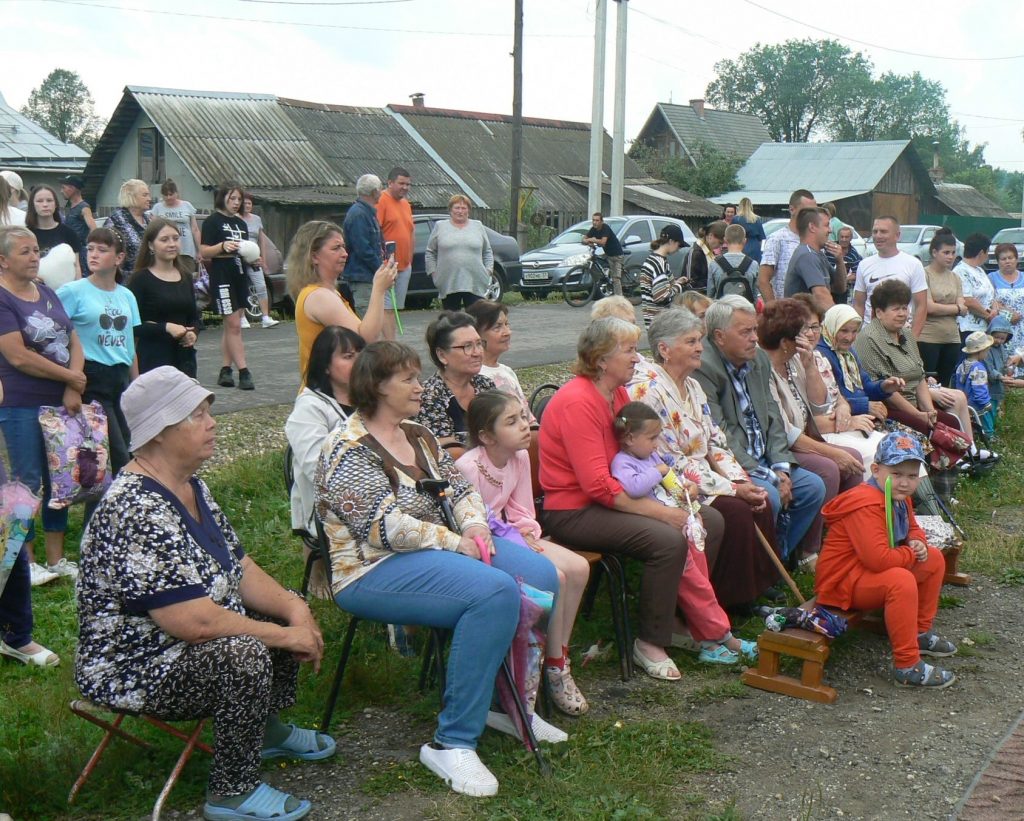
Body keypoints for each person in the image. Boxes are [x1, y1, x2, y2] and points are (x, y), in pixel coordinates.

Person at [76, 366, 332, 820]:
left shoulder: (189, 484)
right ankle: (232, 791)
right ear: (157, 432)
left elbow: (239, 566)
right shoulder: (135, 507)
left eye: (208, 410)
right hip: (136, 664)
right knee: (246, 650)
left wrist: (295, 607)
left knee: (277, 612)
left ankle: (265, 731)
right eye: (196, 415)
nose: (212, 422)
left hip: (187, 640)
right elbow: (190, 623)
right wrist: (283, 636)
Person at [317, 341, 564, 797]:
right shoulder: (345, 448)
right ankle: (452, 741)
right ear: (377, 386)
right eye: (408, 378)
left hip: (442, 549)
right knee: (493, 593)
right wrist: (458, 542)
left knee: (542, 576)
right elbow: (382, 528)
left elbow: (461, 487)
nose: (419, 385)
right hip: (372, 569)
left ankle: (505, 705)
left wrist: (474, 527)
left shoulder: (417, 434)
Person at [540, 317, 689, 681]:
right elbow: (598, 486)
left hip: (607, 500)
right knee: (667, 539)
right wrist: (660, 512)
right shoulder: (579, 400)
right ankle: (649, 643)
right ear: (601, 359)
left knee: (709, 521)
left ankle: (680, 620)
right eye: (629, 350)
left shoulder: (616, 394)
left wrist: (674, 490)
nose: (637, 359)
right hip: (571, 510)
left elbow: (632, 460)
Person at [627, 308, 780, 609]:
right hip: (669, 481)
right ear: (664, 349)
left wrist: (737, 478)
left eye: (699, 340)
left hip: (700, 472)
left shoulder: (694, 386)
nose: (700, 347)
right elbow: (668, 459)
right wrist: (730, 489)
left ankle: (758, 585)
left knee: (757, 499)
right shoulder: (648, 392)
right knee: (734, 510)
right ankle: (730, 598)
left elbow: (715, 440)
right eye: (691, 341)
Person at [456, 391, 591, 712]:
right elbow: (474, 520)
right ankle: (542, 662)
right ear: (486, 436)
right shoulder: (468, 467)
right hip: (483, 542)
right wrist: (518, 539)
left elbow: (520, 509)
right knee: (555, 575)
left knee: (579, 568)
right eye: (512, 421)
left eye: (523, 417)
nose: (524, 426)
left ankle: (557, 661)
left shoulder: (518, 457)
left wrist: (527, 533)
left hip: (511, 534)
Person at [608, 400, 758, 664]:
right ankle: (719, 637)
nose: (657, 444)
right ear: (630, 438)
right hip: (665, 531)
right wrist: (659, 471)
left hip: (683, 528)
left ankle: (712, 638)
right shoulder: (623, 462)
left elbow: (671, 483)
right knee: (696, 587)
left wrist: (686, 488)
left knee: (701, 582)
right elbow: (632, 488)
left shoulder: (652, 457)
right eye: (652, 438)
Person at [815, 432, 956, 689]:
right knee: (899, 581)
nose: (904, 482)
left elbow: (913, 528)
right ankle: (906, 665)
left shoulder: (899, 497)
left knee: (933, 558)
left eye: (912, 476)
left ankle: (918, 632)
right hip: (842, 583)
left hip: (867, 574)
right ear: (876, 470)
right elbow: (878, 560)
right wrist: (912, 553)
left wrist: (918, 541)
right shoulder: (866, 504)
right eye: (896, 474)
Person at [695, 295, 827, 563]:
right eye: (745, 332)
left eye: (754, 329)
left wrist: (781, 466)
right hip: (733, 464)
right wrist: (771, 476)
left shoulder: (758, 360)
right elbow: (718, 434)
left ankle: (777, 560)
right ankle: (763, 570)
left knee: (813, 487)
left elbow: (772, 416)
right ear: (719, 337)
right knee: (771, 498)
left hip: (765, 458)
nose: (755, 338)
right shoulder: (704, 369)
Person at [0, 226, 82, 655]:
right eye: (25, 251)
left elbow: (70, 337)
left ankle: (55, 559)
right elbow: (16, 355)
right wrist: (69, 376)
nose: (34, 257)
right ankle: (26, 565)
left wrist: (74, 384)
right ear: (3, 260)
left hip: (59, 404)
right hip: (20, 403)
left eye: (37, 250)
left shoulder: (47, 291)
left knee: (60, 484)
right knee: (26, 486)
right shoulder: (2, 297)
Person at [758, 299, 864, 565]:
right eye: (802, 332)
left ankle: (838, 540)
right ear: (785, 342)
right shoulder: (764, 369)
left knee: (853, 459)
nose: (809, 337)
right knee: (827, 468)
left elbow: (820, 403)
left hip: (802, 439)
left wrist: (809, 366)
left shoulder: (795, 361)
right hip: (781, 447)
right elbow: (784, 431)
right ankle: (807, 552)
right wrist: (831, 452)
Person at [855, 280, 983, 456]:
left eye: (904, 308)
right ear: (879, 312)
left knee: (946, 420)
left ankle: (967, 456)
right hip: (889, 407)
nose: (902, 314)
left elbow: (919, 375)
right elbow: (885, 391)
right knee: (932, 427)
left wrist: (929, 411)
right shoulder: (868, 339)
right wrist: (917, 415)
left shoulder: (906, 334)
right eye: (895, 309)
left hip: (915, 399)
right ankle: (953, 464)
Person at [286, 326, 364, 601]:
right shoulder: (310, 407)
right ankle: (320, 567)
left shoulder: (373, 397)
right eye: (348, 356)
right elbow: (317, 468)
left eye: (361, 354)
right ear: (326, 366)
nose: (358, 362)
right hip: (331, 498)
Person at [57, 227, 140, 478]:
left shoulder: (126, 295)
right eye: (90, 249)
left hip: (120, 375)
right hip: (93, 375)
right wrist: (70, 379)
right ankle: (106, 512)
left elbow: (130, 343)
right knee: (115, 453)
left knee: (132, 445)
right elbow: (55, 333)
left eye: (102, 250)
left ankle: (118, 510)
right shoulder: (73, 291)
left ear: (118, 258)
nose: (93, 255)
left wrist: (137, 382)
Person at [286, 220, 396, 382]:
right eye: (336, 248)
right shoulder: (319, 296)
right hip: (325, 395)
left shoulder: (328, 293)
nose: (344, 253)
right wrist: (378, 289)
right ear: (314, 256)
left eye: (343, 247)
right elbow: (364, 339)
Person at [793, 296, 886, 480]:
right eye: (804, 328)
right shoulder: (798, 361)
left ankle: (909, 505)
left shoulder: (821, 356)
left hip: (840, 424)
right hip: (820, 433)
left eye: (814, 327)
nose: (811, 334)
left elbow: (838, 394)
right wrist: (849, 419)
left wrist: (844, 406)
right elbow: (805, 420)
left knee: (892, 444)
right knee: (874, 453)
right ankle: (870, 505)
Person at [416, 312, 496, 455]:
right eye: (467, 346)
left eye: (479, 344)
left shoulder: (485, 385)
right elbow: (450, 454)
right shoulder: (430, 395)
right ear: (442, 355)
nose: (477, 352)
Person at [201, 182, 255, 391]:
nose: (236, 203)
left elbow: (245, 250)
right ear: (222, 197)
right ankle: (244, 371)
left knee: (230, 326)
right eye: (232, 198)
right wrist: (222, 246)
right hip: (222, 275)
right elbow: (204, 252)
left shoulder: (241, 224)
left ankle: (225, 369)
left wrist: (254, 258)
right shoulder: (212, 222)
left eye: (239, 199)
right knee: (234, 325)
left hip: (240, 274)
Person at [129, 218, 200, 377]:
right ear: (150, 245)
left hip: (184, 359)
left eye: (175, 238)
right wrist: (166, 327)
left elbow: (194, 317)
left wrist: (193, 332)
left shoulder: (186, 277)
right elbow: (133, 326)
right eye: (164, 239)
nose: (172, 244)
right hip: (154, 361)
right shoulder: (140, 279)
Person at [852, 217, 928, 338]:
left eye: (883, 231)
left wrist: (912, 340)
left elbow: (921, 306)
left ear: (897, 235)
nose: (878, 236)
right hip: (870, 336)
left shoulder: (913, 264)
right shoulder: (864, 265)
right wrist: (855, 335)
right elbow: (859, 304)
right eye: (875, 231)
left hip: (900, 336)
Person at [465, 299, 536, 424]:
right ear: (477, 334)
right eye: (497, 327)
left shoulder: (507, 371)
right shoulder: (473, 376)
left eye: (507, 324)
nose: (507, 332)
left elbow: (528, 419)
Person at [426, 194, 494, 311]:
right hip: (448, 281)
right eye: (457, 208)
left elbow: (487, 251)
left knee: (476, 319)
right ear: (450, 210)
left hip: (475, 280)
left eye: (464, 208)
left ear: (468, 210)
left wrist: (488, 270)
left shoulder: (477, 226)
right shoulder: (440, 226)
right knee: (452, 321)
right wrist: (433, 273)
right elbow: (430, 252)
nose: (460, 211)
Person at [918, 233, 967, 388]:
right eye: (946, 252)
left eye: (953, 253)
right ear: (934, 252)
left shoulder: (955, 277)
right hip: (928, 337)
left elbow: (964, 308)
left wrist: (955, 308)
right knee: (928, 382)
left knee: (945, 384)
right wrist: (956, 308)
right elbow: (929, 307)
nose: (950, 257)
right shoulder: (924, 274)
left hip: (952, 338)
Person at [783, 206, 847, 312]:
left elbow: (840, 288)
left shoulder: (818, 254)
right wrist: (840, 321)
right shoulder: (807, 256)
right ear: (812, 227)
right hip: (802, 326)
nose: (830, 230)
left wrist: (839, 261)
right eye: (827, 225)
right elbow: (821, 295)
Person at [376, 167, 414, 340]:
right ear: (390, 183)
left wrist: (410, 258)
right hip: (388, 265)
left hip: (405, 265)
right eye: (401, 183)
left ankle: (392, 342)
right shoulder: (382, 200)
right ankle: (390, 345)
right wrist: (383, 261)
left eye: (408, 184)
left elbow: (410, 231)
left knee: (396, 308)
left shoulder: (406, 204)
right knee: (387, 308)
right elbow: (376, 232)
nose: (405, 187)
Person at [760, 189, 816, 303]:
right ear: (792, 209)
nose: (811, 215)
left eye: (813, 211)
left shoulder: (814, 239)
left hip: (811, 311)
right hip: (786, 312)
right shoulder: (777, 238)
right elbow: (763, 280)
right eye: (806, 211)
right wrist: (775, 311)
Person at [341, 174, 384, 317]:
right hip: (362, 277)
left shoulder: (367, 212)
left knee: (374, 317)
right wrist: (381, 269)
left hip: (369, 276)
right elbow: (363, 249)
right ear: (374, 192)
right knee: (367, 318)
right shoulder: (359, 214)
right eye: (380, 189)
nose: (381, 193)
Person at [27, 184, 82, 287]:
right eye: (39, 201)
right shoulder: (26, 234)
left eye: (49, 200)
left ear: (56, 204)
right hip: (34, 291)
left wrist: (77, 290)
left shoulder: (69, 233)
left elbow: (76, 266)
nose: (45, 204)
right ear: (32, 205)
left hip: (64, 292)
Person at [639, 223, 688, 328]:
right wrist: (679, 286)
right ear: (671, 241)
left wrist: (676, 282)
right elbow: (662, 297)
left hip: (653, 319)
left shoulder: (654, 259)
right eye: (679, 245)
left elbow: (659, 285)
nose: (679, 249)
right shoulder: (658, 263)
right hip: (660, 322)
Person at [240, 194, 278, 328]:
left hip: (255, 258)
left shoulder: (257, 219)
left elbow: (261, 240)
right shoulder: (236, 219)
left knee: (261, 286)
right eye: (244, 203)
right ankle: (242, 317)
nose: (247, 205)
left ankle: (266, 317)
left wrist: (263, 259)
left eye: (249, 203)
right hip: (240, 258)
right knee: (241, 287)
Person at [149, 179, 201, 277]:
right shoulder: (157, 208)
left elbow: (195, 229)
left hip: (186, 251)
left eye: (171, 194)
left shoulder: (187, 205)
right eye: (165, 195)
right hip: (166, 250)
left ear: (176, 193)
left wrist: (199, 251)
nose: (168, 197)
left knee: (187, 277)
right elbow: (153, 230)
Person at [954, 233, 998, 344]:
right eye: (987, 252)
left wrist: (994, 310)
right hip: (969, 330)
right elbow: (967, 300)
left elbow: (990, 294)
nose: (987, 255)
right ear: (981, 253)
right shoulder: (960, 271)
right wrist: (988, 316)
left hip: (984, 328)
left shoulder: (980, 270)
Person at [954, 332, 995, 438]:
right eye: (986, 351)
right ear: (980, 351)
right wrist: (985, 402)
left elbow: (957, 383)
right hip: (975, 403)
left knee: (967, 421)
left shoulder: (962, 365)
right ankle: (986, 435)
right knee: (984, 418)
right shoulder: (978, 368)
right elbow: (979, 388)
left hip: (963, 401)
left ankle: (968, 435)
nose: (987, 354)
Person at [107, 180, 152, 275]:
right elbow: (107, 250)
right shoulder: (117, 219)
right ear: (131, 197)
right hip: (126, 279)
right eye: (145, 195)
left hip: (149, 276)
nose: (149, 199)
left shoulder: (148, 219)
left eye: (149, 195)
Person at [707, 223, 757, 301]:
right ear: (745, 240)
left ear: (725, 240)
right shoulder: (753, 264)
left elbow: (710, 295)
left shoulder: (714, 264)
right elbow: (755, 296)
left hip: (721, 311)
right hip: (745, 311)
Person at [59, 174, 96, 274]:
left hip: (80, 254)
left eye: (63, 188)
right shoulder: (72, 207)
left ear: (72, 188)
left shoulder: (84, 207)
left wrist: (87, 247)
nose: (61, 191)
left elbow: (94, 228)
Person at [988, 241, 1024, 341]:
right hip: (1001, 331)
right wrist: (1009, 314)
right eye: (1003, 259)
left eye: (1010, 258)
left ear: (1017, 259)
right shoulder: (991, 278)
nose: (1007, 261)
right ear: (998, 261)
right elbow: (990, 301)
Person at [583, 212, 624, 296]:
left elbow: (603, 242)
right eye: (593, 220)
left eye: (597, 220)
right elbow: (583, 239)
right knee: (593, 262)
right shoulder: (593, 229)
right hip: (607, 254)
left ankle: (620, 298)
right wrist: (588, 241)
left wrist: (592, 240)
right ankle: (602, 282)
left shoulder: (605, 228)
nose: (595, 222)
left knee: (615, 278)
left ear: (601, 221)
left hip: (616, 255)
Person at [983, 314, 1014, 424]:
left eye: (1002, 338)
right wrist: (1000, 376)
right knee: (988, 407)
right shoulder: (986, 350)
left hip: (998, 384)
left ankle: (991, 429)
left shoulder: (1001, 348)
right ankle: (988, 432)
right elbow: (989, 368)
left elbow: (1005, 361)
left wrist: (1009, 368)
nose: (999, 341)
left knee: (995, 406)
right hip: (988, 385)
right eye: (996, 337)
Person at [682, 220, 726, 294]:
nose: (721, 246)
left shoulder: (709, 253)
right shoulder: (696, 253)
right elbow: (689, 284)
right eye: (720, 242)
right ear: (710, 236)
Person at [825, 226, 862, 302]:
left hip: (842, 288)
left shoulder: (854, 255)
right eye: (842, 237)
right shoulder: (830, 248)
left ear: (851, 238)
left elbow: (856, 274)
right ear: (838, 237)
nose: (844, 239)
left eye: (846, 237)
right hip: (826, 285)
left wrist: (842, 279)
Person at [731, 197, 765, 262]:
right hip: (754, 245)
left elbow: (732, 236)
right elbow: (761, 238)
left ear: (740, 206)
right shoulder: (757, 219)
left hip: (740, 245)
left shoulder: (736, 219)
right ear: (750, 206)